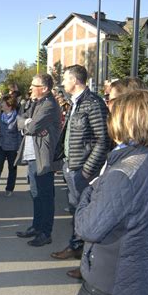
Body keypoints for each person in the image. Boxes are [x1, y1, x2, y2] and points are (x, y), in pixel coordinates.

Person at [75, 90, 148, 295]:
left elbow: (88, 227)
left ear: (126, 123)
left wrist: (90, 190)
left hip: (113, 280)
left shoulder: (124, 173)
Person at [51, 65, 111, 279]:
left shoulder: (93, 103)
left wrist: (87, 170)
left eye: (65, 79)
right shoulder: (76, 103)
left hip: (82, 170)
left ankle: (87, 264)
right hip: (72, 166)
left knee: (86, 216)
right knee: (77, 212)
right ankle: (76, 247)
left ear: (75, 80)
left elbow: (103, 139)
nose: (62, 83)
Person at [15, 74, 62, 247]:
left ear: (44, 88)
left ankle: (45, 232)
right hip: (32, 156)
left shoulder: (49, 104)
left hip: (42, 157)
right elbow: (19, 120)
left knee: (45, 196)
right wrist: (27, 123)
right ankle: (36, 226)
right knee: (35, 194)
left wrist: (28, 124)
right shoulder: (36, 102)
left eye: (33, 85)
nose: (30, 88)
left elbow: (33, 127)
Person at [0, 94, 21, 199]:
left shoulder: (18, 118)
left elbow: (20, 134)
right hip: (0, 146)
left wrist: (20, 149)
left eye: (3, 103)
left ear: (9, 105)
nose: (1, 104)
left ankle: (9, 189)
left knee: (12, 169)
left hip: (12, 147)